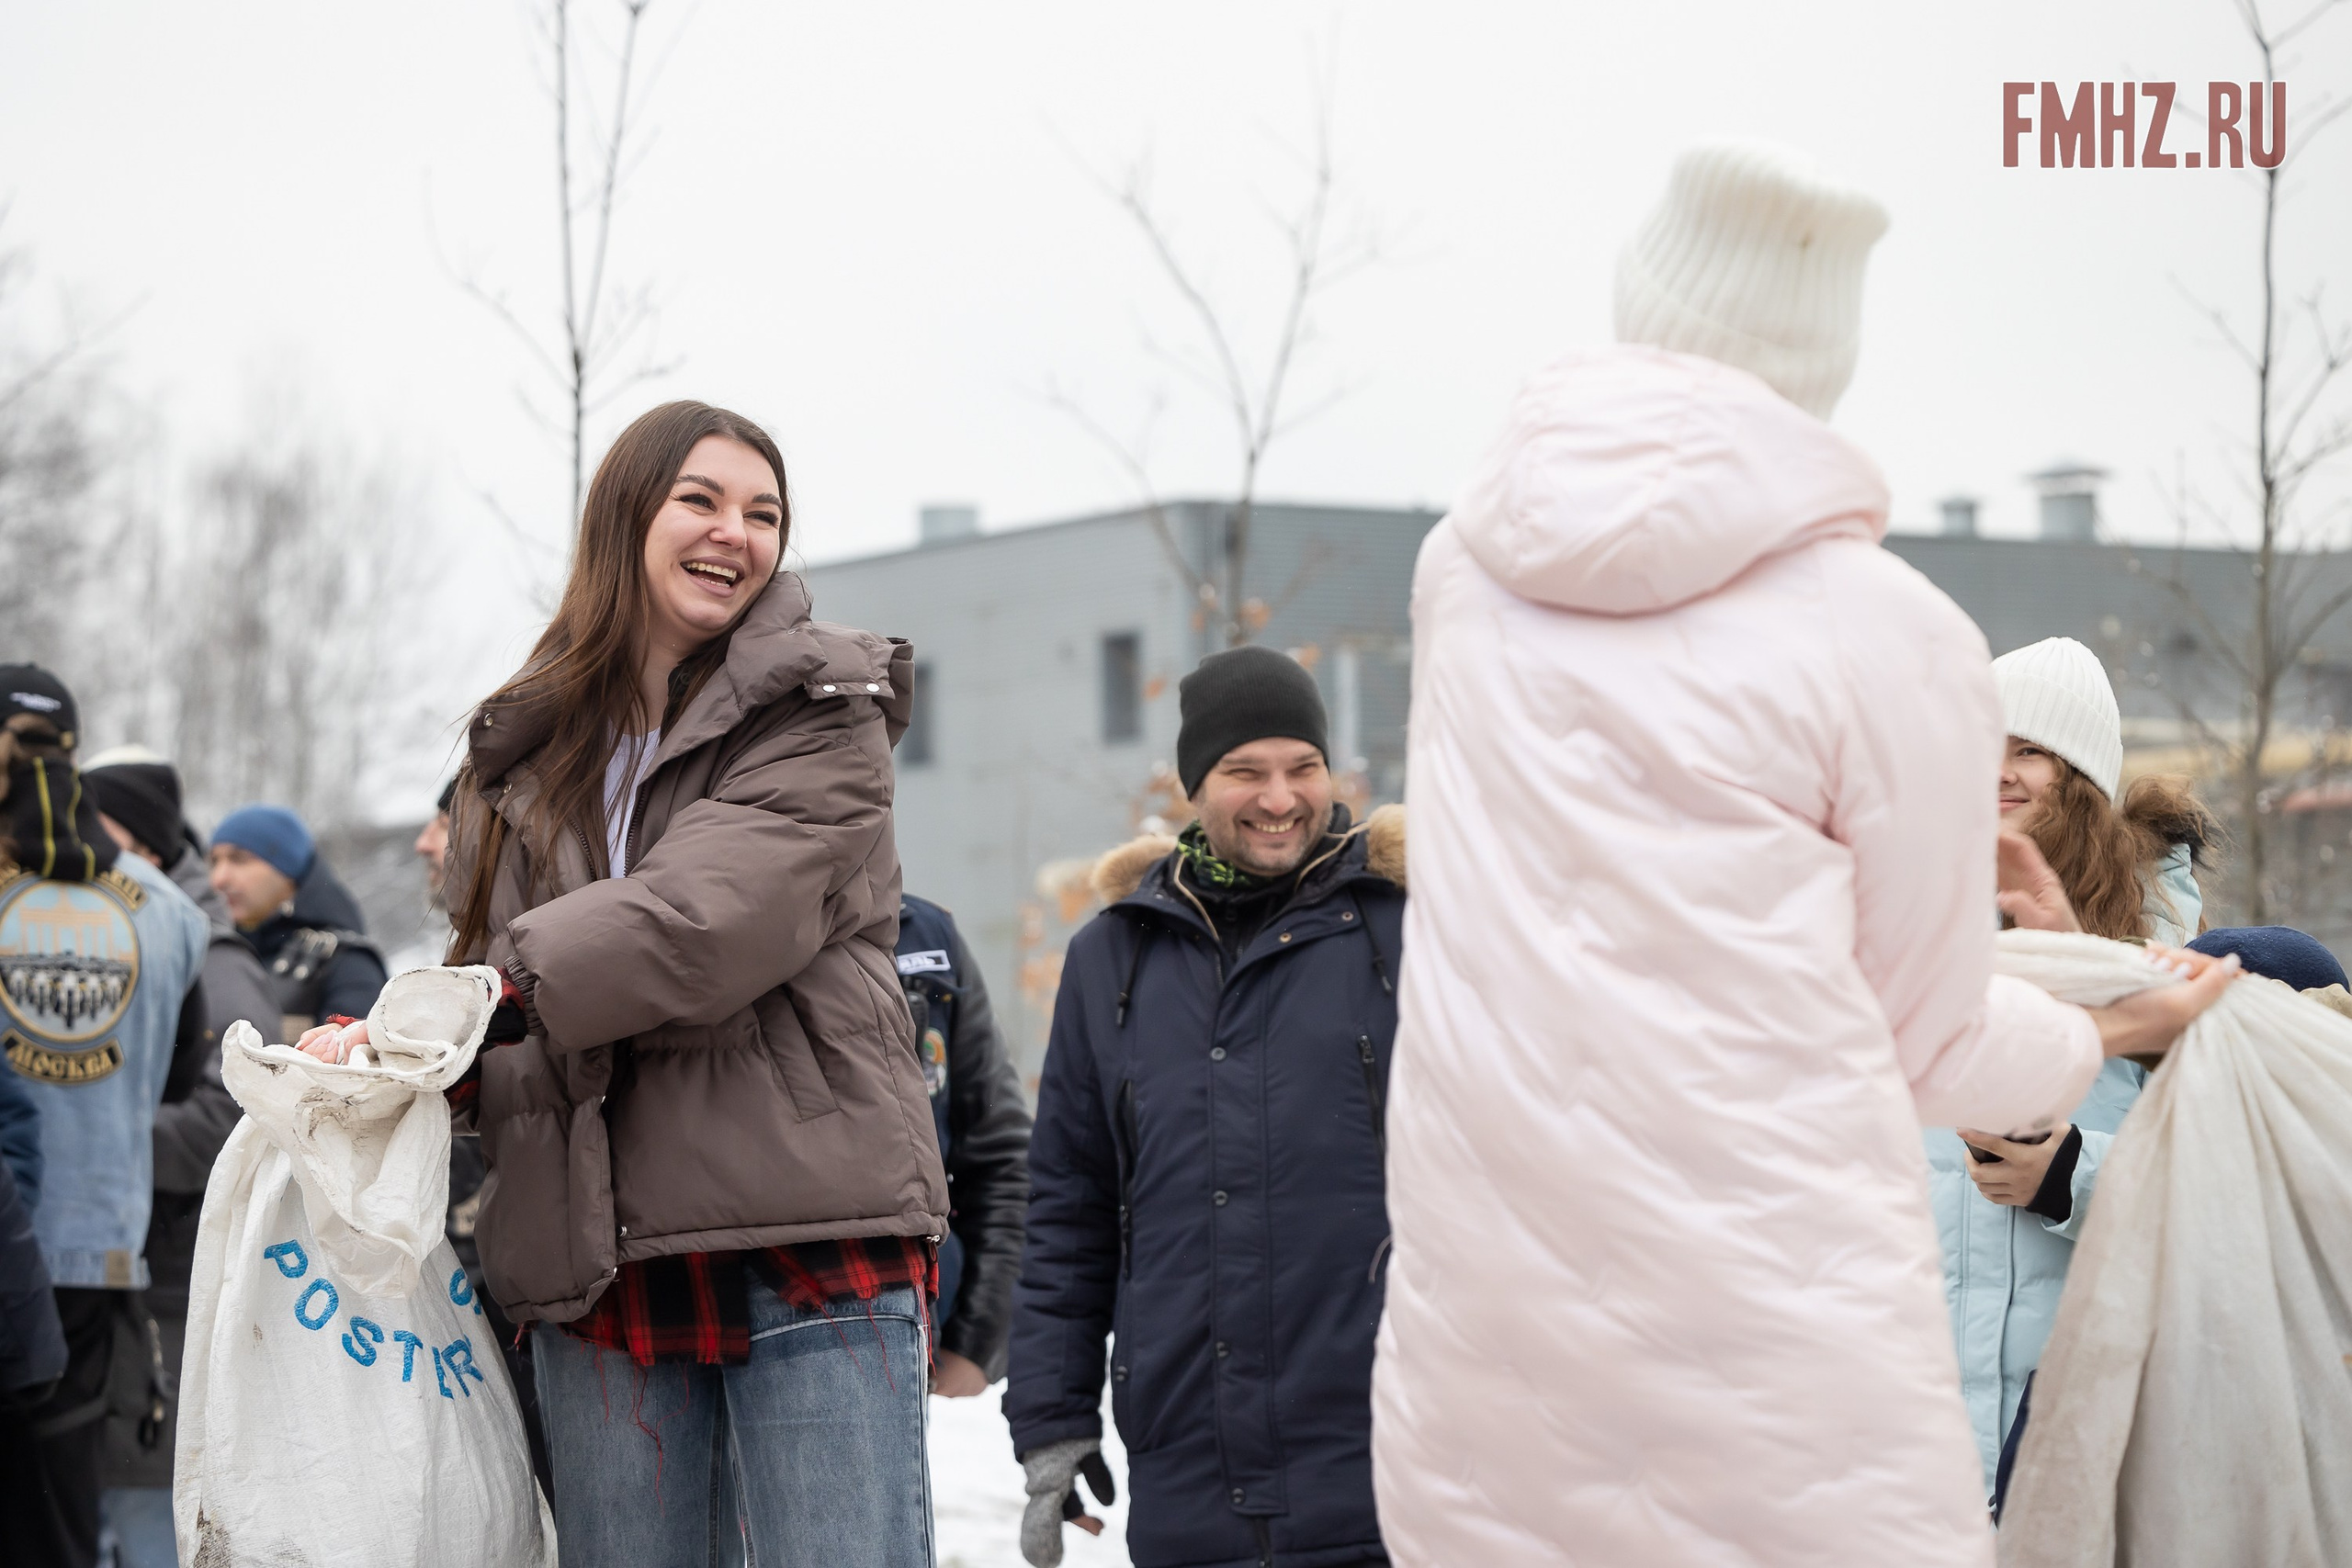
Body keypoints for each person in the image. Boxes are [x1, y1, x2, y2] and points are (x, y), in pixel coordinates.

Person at [1367, 142, 2240, 1568]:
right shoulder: (1890, 633)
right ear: (1824, 360)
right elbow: (1929, 1038)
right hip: (1766, 1342)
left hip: (1489, 1341)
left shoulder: (1464, 572)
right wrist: (2097, 1023)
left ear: (1638, 306)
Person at [430, 400, 944, 1568]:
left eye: (764, 513)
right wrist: (403, 1055)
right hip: (596, 1253)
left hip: (809, 1232)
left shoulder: (825, 712)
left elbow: (707, 918)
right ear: (626, 520)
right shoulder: (525, 753)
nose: (737, 533)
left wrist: (487, 1003)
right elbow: (488, 989)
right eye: (701, 501)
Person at [1008, 645, 1406, 1568]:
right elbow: (1068, 1207)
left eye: (1302, 767)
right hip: (1191, 1466)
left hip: (1386, 1456)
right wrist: (1052, 1423)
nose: (1279, 798)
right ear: (1194, 785)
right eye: (1244, 773)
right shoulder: (1113, 959)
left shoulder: (1403, 927)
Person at [1925, 636, 2219, 1510]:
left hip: (2080, 1410)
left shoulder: (2161, 963)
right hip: (1925, 1415)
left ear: (2080, 775)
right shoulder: (1916, 939)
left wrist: (2067, 1175)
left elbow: (2214, 1195)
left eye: (2029, 750)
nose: (2000, 772)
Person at [0, 668, 209, 1568]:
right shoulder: (168, 911)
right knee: (58, 1517)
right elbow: (178, 1076)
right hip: (95, 1252)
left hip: (25, 1237)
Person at [79, 747, 283, 1566]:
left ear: (152, 852)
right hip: (115, 1293)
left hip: (169, 1297)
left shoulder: (212, 957)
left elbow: (229, 1113)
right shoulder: (106, 938)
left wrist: (80, 1146)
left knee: (149, 1520)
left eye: (101, 831)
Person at [896, 893, 1031, 1398]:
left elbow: (1001, 1154)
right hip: (699, 1325)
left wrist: (977, 1342)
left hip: (910, 1341)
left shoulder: (928, 935)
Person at [207, 803, 387, 1040]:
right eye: (214, 861)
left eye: (239, 859)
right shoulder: (211, 952)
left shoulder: (347, 964)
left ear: (288, 870)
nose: (219, 878)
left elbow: (356, 1069)